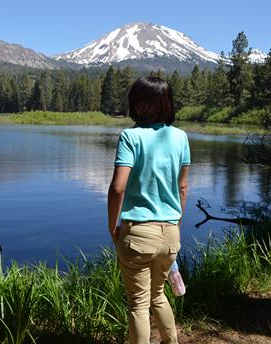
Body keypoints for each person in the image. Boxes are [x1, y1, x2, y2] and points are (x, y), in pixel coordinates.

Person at [107, 76, 190, 344]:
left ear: (137, 104)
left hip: (138, 233)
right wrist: (175, 224)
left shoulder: (130, 137)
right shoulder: (180, 137)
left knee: (138, 304)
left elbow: (118, 188)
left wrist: (112, 226)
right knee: (158, 295)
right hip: (170, 233)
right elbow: (183, 188)